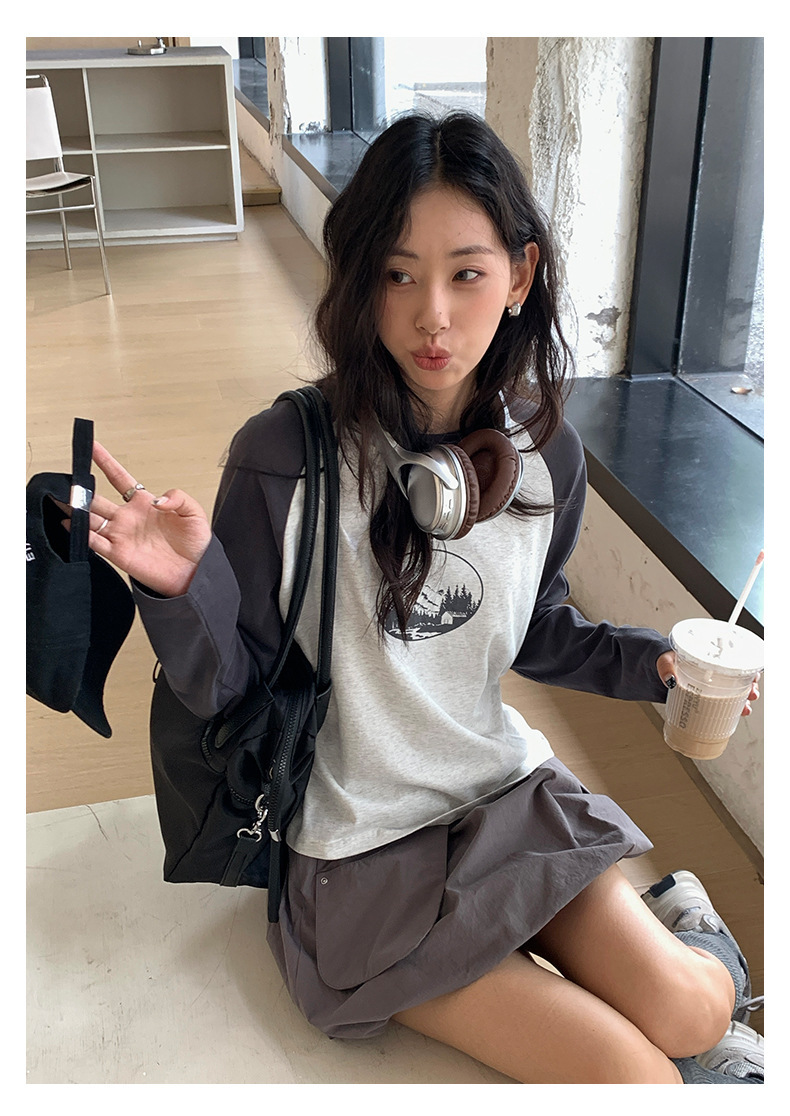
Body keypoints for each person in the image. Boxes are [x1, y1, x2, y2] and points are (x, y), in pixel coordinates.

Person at [81, 113, 763, 1085]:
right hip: (360, 852)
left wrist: (654, 665)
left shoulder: (547, 455)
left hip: (500, 800)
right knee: (637, 1079)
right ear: (361, 279)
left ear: (519, 276)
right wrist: (186, 586)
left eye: (466, 273)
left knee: (696, 1011)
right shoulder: (286, 458)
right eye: (398, 275)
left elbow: (535, 629)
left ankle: (689, 938)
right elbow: (234, 691)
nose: (431, 314)